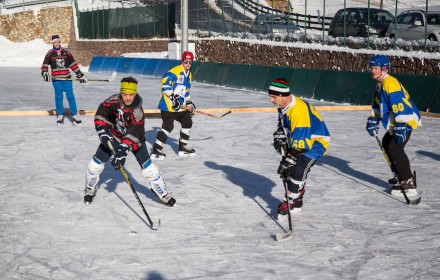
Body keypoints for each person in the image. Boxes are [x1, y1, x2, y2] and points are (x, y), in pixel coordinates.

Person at [84, 76, 176, 207]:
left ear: (135, 94)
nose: (127, 98)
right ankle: (90, 187)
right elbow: (100, 115)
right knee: (94, 165)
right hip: (114, 137)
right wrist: (103, 132)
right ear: (121, 93)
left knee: (150, 169)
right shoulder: (113, 101)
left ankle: (162, 193)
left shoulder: (137, 111)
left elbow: (134, 133)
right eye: (125, 94)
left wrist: (122, 151)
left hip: (135, 140)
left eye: (131, 94)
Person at [268, 78, 330, 216]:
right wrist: (280, 135)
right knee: (290, 169)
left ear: (283, 95)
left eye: (273, 97)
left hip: (315, 144)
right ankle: (297, 197)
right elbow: (284, 125)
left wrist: (288, 161)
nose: (271, 100)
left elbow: (301, 145)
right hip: (300, 140)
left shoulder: (298, 111)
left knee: (298, 167)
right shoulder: (283, 106)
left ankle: (291, 200)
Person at [365, 55, 421, 197]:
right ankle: (399, 176)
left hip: (406, 120)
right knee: (386, 143)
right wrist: (373, 118)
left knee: (395, 148)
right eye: (371, 67)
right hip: (396, 122)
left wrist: (402, 124)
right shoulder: (380, 84)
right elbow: (377, 103)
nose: (372, 70)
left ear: (384, 69)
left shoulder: (390, 83)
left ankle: (407, 180)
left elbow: (400, 104)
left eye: (375, 68)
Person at [151, 51, 197, 160]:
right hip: (168, 105)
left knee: (187, 122)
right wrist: (173, 98)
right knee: (168, 126)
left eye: (190, 62)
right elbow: (165, 85)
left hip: (180, 106)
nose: (188, 64)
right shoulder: (174, 72)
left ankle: (182, 148)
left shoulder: (189, 75)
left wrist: (189, 103)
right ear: (182, 61)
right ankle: (156, 150)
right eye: (186, 62)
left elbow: (185, 91)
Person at [41, 34, 87, 126]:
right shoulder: (50, 53)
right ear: (52, 43)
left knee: (70, 96)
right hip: (56, 80)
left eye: (57, 42)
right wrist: (45, 73)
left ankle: (74, 115)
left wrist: (79, 74)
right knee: (59, 97)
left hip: (67, 78)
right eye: (54, 42)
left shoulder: (66, 52)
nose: (56, 43)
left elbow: (73, 64)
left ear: (59, 42)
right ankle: (60, 115)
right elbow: (44, 66)